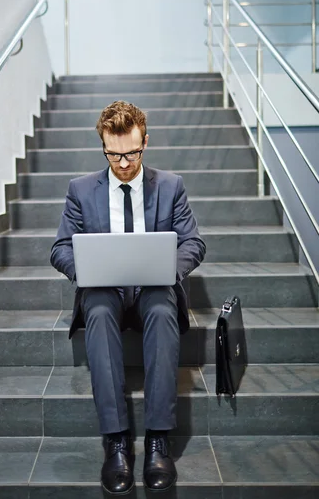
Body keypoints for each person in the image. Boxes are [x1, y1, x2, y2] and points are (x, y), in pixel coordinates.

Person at [50, 100, 206, 494]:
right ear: (102, 145)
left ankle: (157, 439)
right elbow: (60, 248)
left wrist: (166, 270)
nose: (122, 162)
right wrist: (84, 270)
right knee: (98, 309)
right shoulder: (81, 190)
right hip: (107, 291)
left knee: (161, 306)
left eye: (132, 152)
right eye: (113, 153)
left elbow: (193, 243)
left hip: (153, 287)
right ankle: (116, 441)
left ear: (145, 142)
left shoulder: (170, 186)